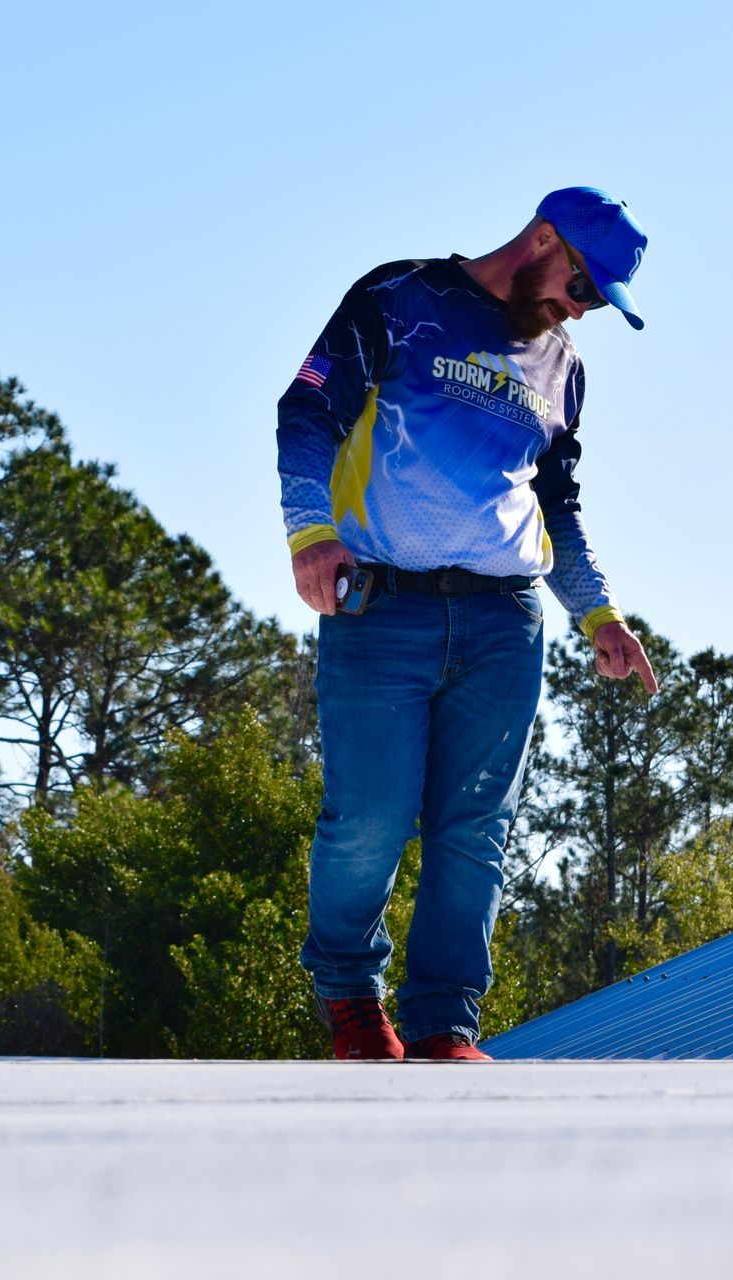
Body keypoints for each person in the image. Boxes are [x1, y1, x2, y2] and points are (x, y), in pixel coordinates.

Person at [276, 187, 659, 1062]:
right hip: (382, 607)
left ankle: (445, 1024)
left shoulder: (565, 367)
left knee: (476, 828)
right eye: (583, 284)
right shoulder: (401, 300)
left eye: (599, 300)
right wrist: (310, 534)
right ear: (543, 238)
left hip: (504, 623)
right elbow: (306, 413)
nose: (583, 307)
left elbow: (556, 504)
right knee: (368, 818)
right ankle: (350, 1000)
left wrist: (597, 611)